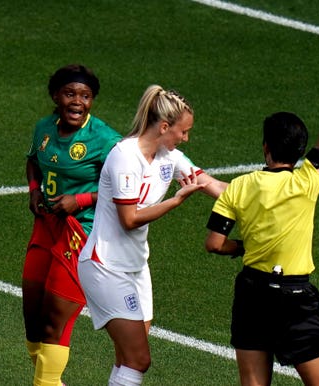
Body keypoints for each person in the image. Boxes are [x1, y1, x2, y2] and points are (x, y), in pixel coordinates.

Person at [204, 18, 319, 386]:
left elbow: (214, 243)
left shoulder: (239, 186)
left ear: (265, 147)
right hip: (296, 299)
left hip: (253, 296)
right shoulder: (308, 180)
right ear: (301, 150)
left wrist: (243, 246)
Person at [77, 84, 227, 385]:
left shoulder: (168, 157)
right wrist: (175, 200)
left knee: (128, 358)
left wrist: (260, 196)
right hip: (105, 265)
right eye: (183, 132)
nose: (185, 138)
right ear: (164, 126)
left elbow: (211, 185)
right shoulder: (125, 157)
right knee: (139, 359)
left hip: (135, 267)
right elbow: (129, 219)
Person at [22, 64, 122, 386]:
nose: (78, 102)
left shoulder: (105, 140)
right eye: (70, 94)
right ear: (56, 96)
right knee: (32, 317)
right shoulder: (44, 128)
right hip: (47, 225)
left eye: (86, 96)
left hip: (82, 232)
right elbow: (32, 162)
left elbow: (125, 186)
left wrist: (78, 201)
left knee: (55, 321)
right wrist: (34, 190)